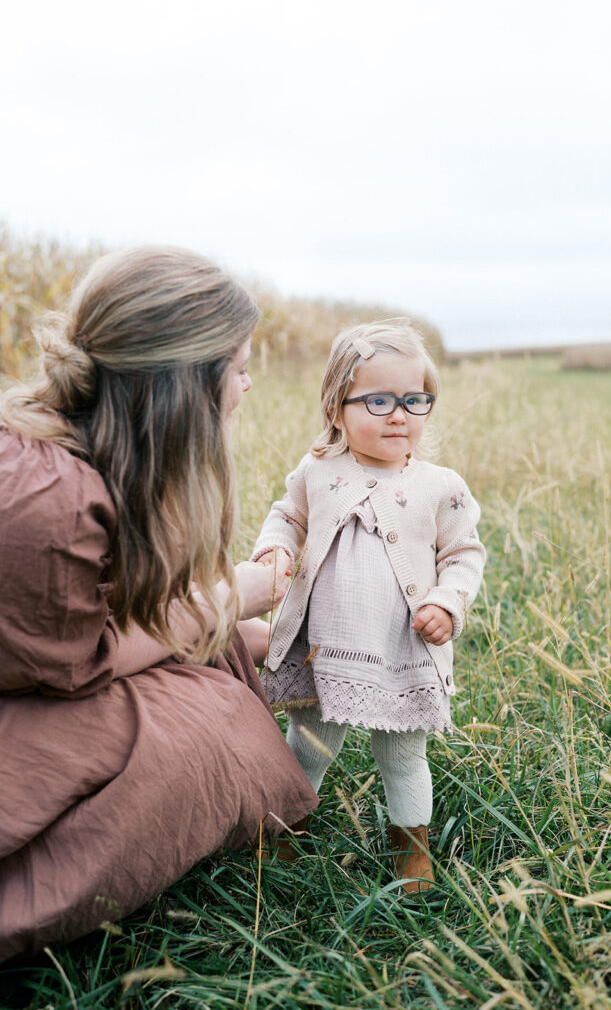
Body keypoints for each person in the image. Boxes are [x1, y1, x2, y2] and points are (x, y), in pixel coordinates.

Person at [0, 246, 318, 963]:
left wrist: (249, 634)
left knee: (223, 668)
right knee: (208, 725)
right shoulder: (42, 497)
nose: (249, 385)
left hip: (42, 677)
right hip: (35, 697)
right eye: (238, 368)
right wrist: (234, 596)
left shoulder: (87, 458)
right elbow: (82, 661)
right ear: (182, 388)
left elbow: (110, 615)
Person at [252, 321, 486, 891]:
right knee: (308, 746)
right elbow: (288, 516)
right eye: (378, 401)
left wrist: (446, 602)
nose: (399, 415)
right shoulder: (319, 472)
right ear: (337, 407)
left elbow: (464, 554)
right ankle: (287, 831)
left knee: (403, 755)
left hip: (402, 645)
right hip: (326, 644)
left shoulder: (440, 485)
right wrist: (275, 550)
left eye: (414, 400)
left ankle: (412, 850)